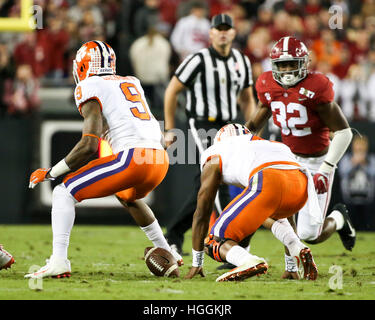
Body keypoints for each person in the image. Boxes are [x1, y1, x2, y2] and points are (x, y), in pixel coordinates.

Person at [25, 40, 181, 279]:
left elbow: (89, 144)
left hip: (133, 159)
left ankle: (59, 260)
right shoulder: (131, 81)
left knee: (63, 192)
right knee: (128, 197)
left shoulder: (89, 85)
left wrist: (51, 172)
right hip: (159, 159)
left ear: (83, 66)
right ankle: (169, 250)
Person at [246, 36, 355, 279]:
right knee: (283, 212)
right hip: (289, 158)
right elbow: (256, 121)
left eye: (290, 64)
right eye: (281, 65)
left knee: (309, 234)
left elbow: (345, 132)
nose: (286, 70)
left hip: (317, 161)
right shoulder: (267, 84)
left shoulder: (317, 86)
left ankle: (338, 219)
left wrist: (325, 169)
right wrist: (241, 139)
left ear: (303, 63)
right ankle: (292, 268)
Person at [164, 13, 256, 256]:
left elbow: (247, 97)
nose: (223, 32)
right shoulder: (199, 59)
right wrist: (170, 129)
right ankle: (230, 240)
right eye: (219, 29)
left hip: (229, 125)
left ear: (234, 33)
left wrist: (253, 129)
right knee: (219, 176)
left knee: (204, 185)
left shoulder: (241, 60)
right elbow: (172, 90)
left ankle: (173, 233)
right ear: (211, 33)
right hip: (202, 123)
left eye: (227, 29)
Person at [185, 124, 318, 282]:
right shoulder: (267, 144)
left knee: (213, 241)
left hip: (269, 179)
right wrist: (291, 267)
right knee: (270, 210)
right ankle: (297, 247)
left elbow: (202, 211)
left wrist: (196, 262)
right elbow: (288, 215)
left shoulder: (215, 153)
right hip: (301, 186)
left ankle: (247, 261)